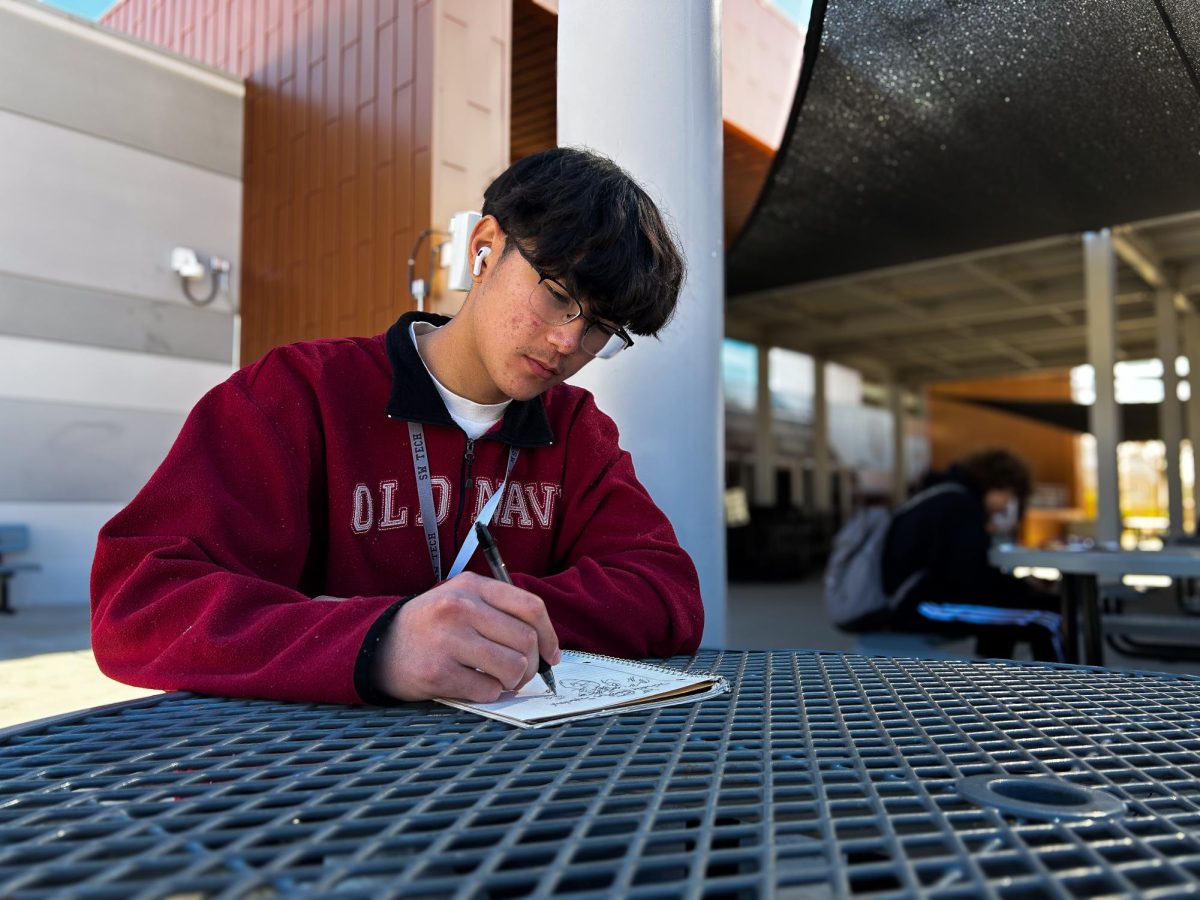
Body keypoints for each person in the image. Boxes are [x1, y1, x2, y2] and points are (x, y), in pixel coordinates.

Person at [91, 147, 704, 706]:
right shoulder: (298, 393)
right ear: (485, 246)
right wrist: (379, 639)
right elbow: (139, 603)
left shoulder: (575, 431)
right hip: (302, 781)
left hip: (521, 781)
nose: (569, 340)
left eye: (601, 328)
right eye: (557, 293)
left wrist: (482, 624)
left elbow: (665, 593)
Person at [881, 448, 1064, 661]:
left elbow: (966, 574)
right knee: (1048, 617)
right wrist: (1021, 586)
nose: (1006, 505)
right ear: (1001, 485)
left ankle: (993, 686)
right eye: (1011, 497)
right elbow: (969, 577)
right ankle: (1070, 690)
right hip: (922, 606)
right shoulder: (960, 506)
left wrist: (1018, 587)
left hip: (918, 599)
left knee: (1014, 610)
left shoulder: (946, 496)